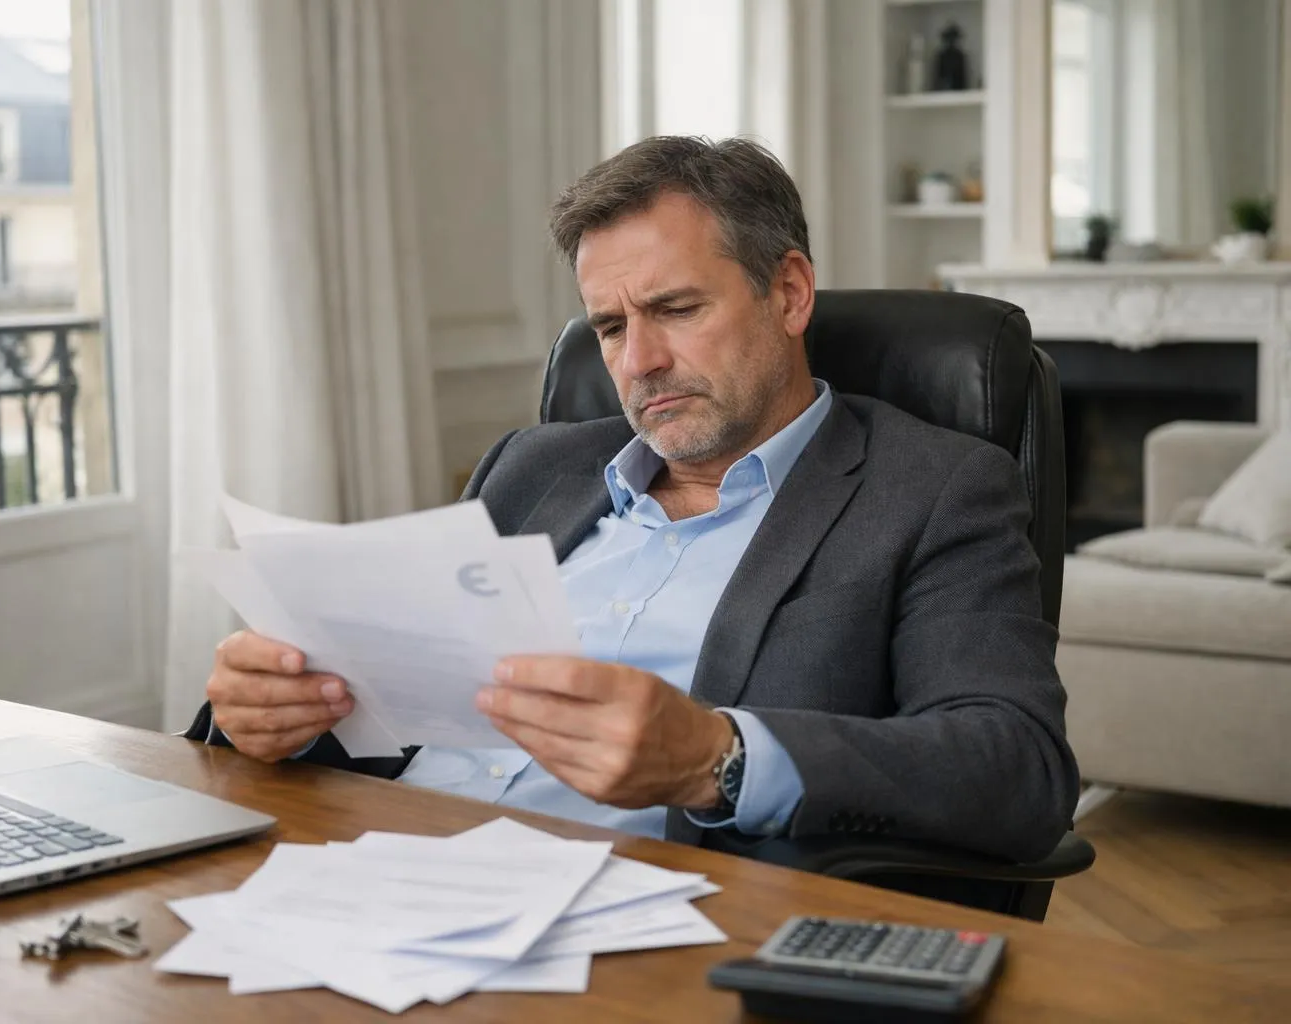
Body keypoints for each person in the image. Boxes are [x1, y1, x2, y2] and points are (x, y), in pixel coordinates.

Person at [189, 136, 1079, 863]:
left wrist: (715, 760)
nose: (637, 361)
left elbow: (1017, 770)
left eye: (678, 309)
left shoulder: (933, 488)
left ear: (790, 292)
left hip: (630, 923)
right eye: (610, 327)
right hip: (366, 865)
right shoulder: (531, 466)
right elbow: (392, 713)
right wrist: (277, 716)